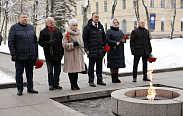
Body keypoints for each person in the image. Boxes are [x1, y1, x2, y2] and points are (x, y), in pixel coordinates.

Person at [8, 13, 38, 96]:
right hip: (19, 56)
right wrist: (13, 54)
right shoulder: (14, 28)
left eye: (26, 17)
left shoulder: (30, 27)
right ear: (19, 18)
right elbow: (11, 42)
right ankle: (20, 89)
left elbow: (35, 42)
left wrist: (36, 54)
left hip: (30, 56)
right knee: (19, 73)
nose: (25, 18)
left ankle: (30, 88)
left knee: (30, 73)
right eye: (23, 17)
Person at [38, 17, 64, 90]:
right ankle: (51, 84)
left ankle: (56, 83)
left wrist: (62, 53)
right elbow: (40, 42)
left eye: (53, 22)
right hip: (49, 55)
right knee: (50, 70)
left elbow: (61, 42)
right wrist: (48, 43)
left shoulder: (58, 31)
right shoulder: (43, 32)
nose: (52, 24)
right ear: (47, 23)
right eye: (50, 22)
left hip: (58, 54)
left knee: (57, 70)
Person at [83, 12, 107, 87]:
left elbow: (104, 37)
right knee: (91, 67)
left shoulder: (100, 26)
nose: (97, 18)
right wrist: (86, 49)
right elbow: (85, 39)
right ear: (92, 17)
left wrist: (105, 46)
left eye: (98, 17)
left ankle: (99, 80)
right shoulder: (87, 27)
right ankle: (91, 80)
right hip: (92, 50)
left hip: (100, 50)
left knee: (99, 66)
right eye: (96, 17)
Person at [62, 19, 85, 90]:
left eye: (76, 25)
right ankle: (72, 84)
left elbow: (82, 43)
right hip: (70, 55)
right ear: (70, 26)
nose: (75, 27)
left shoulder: (79, 34)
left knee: (76, 70)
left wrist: (82, 49)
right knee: (71, 71)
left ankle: (76, 84)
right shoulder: (67, 34)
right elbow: (64, 44)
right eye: (73, 25)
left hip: (78, 55)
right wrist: (72, 45)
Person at [106, 18, 126, 83]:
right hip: (112, 50)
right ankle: (113, 78)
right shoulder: (109, 31)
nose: (116, 24)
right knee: (112, 65)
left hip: (119, 51)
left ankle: (116, 77)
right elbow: (107, 40)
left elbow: (123, 38)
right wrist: (114, 43)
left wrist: (124, 40)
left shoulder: (120, 31)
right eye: (114, 23)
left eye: (117, 23)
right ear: (112, 24)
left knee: (117, 65)